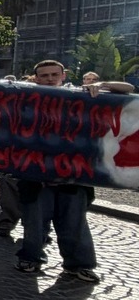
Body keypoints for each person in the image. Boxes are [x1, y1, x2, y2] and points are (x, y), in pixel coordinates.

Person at [14, 60, 133, 283]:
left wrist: (101, 85)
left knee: (74, 223)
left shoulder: (81, 94)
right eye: (44, 75)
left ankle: (79, 265)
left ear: (63, 75)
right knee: (34, 223)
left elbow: (128, 89)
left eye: (53, 75)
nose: (49, 79)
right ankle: (31, 258)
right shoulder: (26, 97)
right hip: (36, 175)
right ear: (36, 78)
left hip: (73, 175)